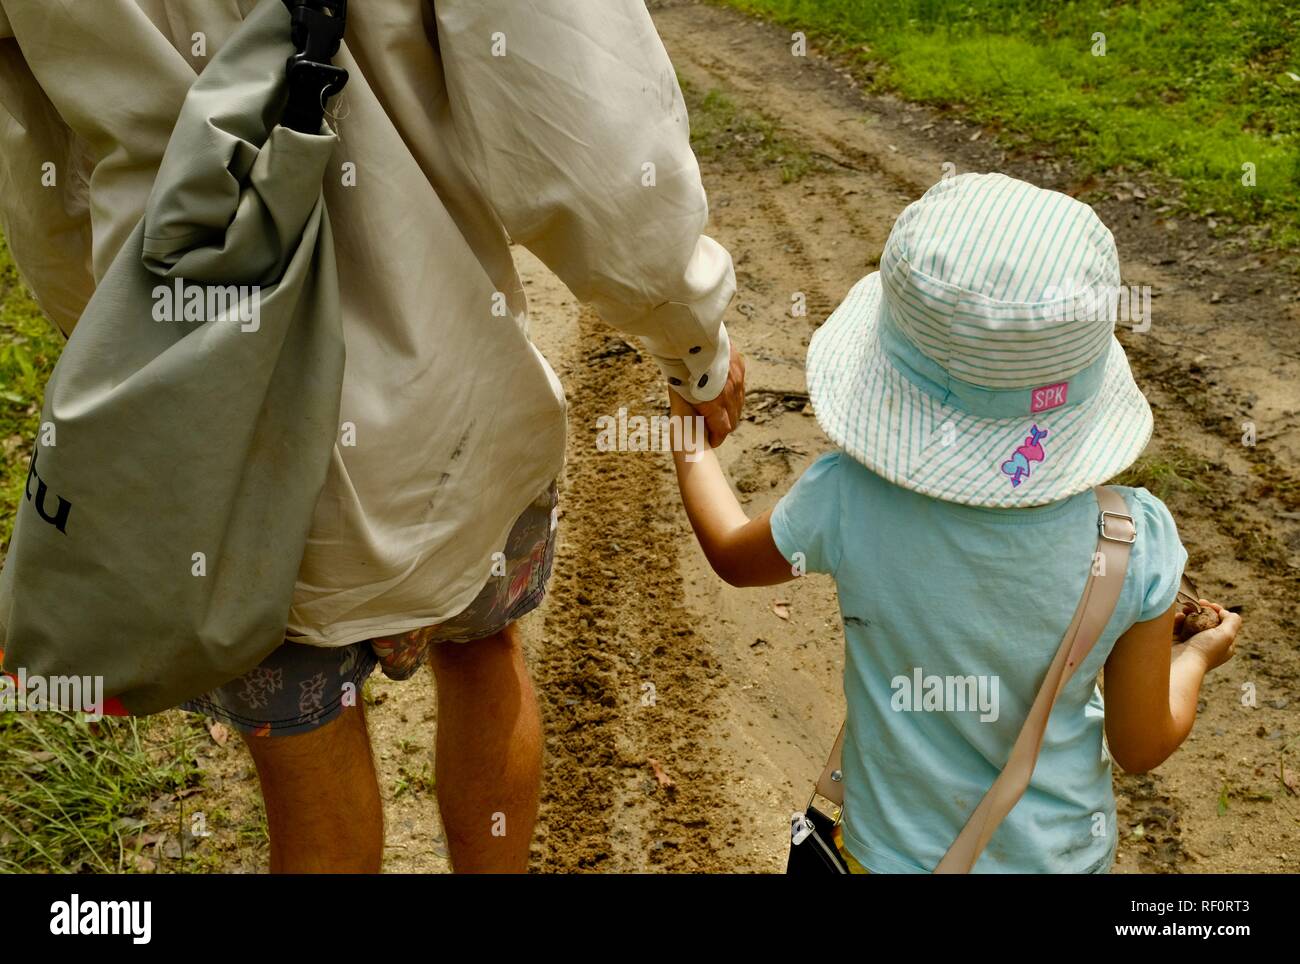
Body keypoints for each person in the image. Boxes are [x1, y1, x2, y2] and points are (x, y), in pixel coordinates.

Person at [0, 0, 744, 873]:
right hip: (450, 398)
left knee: (297, 743)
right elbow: (584, 133)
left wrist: (124, 371)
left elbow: (38, 161)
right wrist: (690, 331)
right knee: (481, 649)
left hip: (210, 428)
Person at [667, 172, 1241, 873]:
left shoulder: (849, 499)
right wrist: (1197, 657)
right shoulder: (1133, 539)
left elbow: (730, 551)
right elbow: (1141, 743)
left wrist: (689, 441)